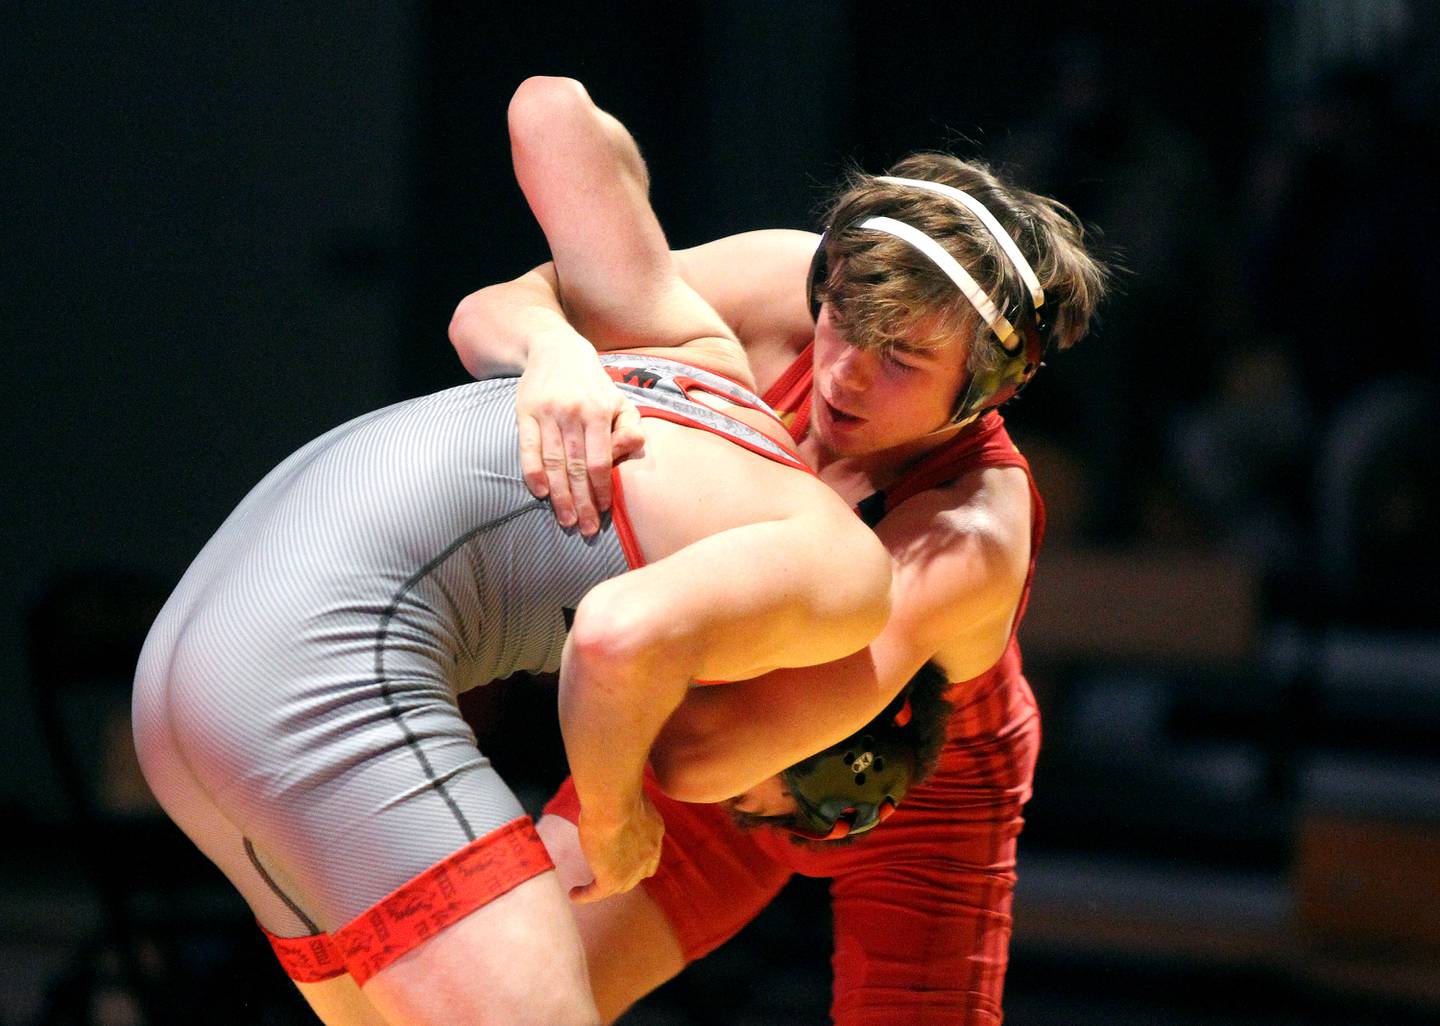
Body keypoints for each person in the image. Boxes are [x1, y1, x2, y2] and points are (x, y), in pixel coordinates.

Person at [130, 78, 903, 1026]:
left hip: (184, 668)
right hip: (317, 663)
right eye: (776, 804)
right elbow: (618, 641)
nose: (728, 807)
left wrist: (551, 344)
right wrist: (618, 817)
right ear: (815, 709)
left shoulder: (683, 340)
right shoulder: (844, 577)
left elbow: (545, 107)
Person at [449, 76, 1110, 1025]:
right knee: (490, 1010)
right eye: (846, 323)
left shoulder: (973, 531)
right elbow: (494, 309)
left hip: (917, 792)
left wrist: (614, 784)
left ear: (987, 391)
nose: (843, 375)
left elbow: (695, 753)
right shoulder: (786, 282)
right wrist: (557, 355)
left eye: (903, 361)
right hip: (712, 681)